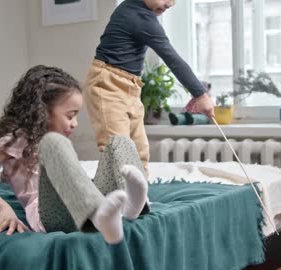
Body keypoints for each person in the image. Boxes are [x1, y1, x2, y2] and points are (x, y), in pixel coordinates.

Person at [0, 65, 149, 244]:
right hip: (49, 214)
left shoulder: (52, 137)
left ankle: (134, 205)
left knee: (119, 141)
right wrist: (3, 207)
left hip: (82, 203)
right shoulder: (18, 137)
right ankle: (98, 215)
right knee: (53, 143)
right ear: (44, 112)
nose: (75, 124)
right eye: (70, 115)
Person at [85, 0, 215, 174]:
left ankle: (141, 196)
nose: (170, 3)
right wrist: (200, 95)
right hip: (107, 84)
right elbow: (172, 59)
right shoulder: (138, 16)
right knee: (116, 149)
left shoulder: (141, 13)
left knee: (140, 149)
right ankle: (116, 197)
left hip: (131, 86)